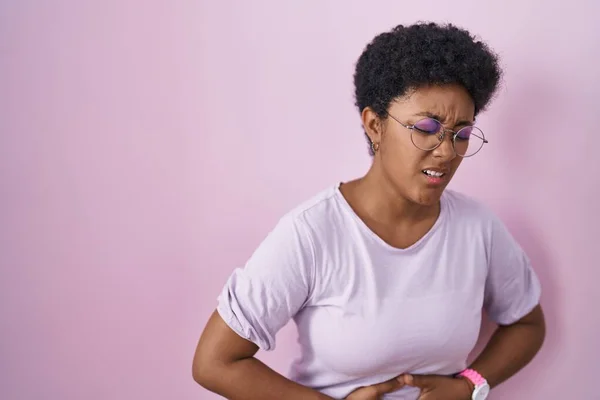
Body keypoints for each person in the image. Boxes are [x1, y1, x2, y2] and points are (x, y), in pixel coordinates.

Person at [192, 22, 546, 400]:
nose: (446, 151)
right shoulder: (311, 233)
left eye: (461, 132)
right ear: (374, 125)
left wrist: (469, 386)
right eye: (426, 127)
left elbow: (527, 324)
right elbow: (215, 362)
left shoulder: (477, 228)